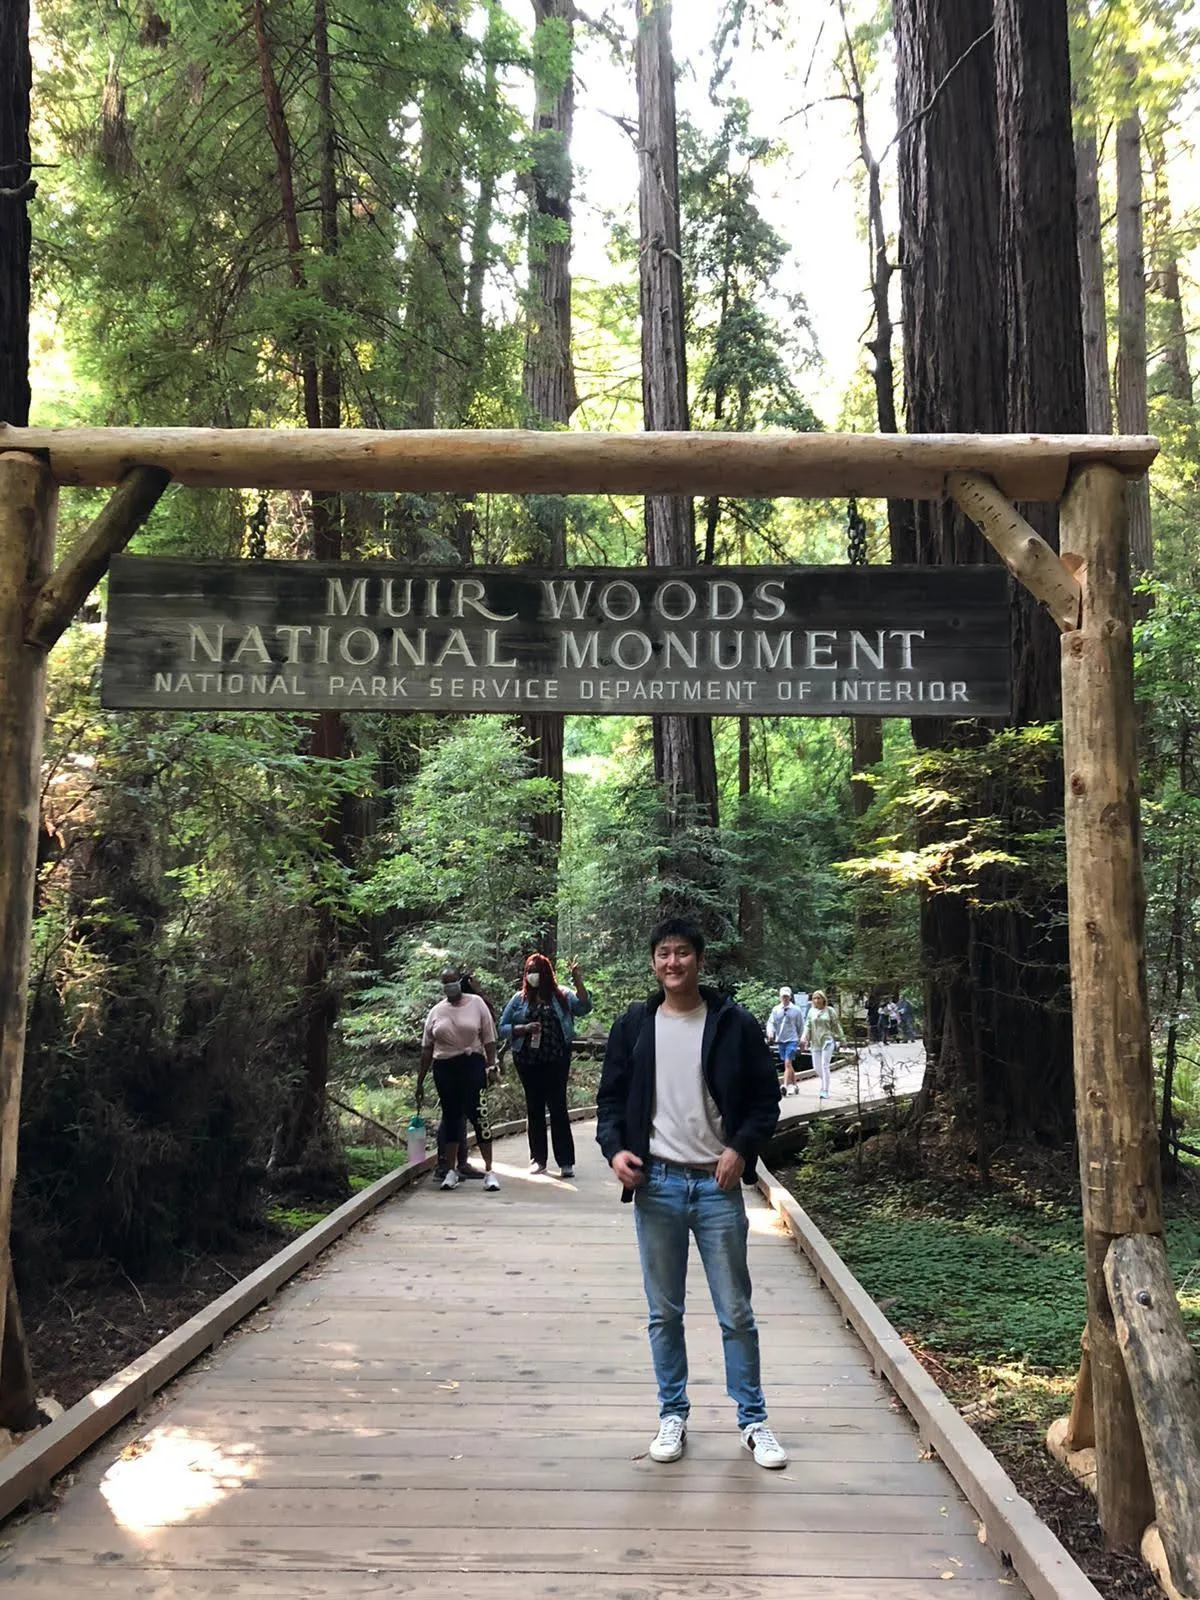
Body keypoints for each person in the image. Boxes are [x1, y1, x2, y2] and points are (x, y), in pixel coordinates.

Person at [596, 915, 788, 1471]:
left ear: (699, 961)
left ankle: (753, 1421)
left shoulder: (732, 1023)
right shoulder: (635, 1025)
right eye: (663, 953)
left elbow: (765, 1100)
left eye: (682, 952)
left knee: (735, 1311)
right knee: (664, 1312)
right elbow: (611, 1102)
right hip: (656, 1184)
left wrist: (741, 1149)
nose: (672, 962)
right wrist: (615, 1151)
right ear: (653, 962)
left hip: (715, 1185)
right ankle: (672, 1414)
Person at [499, 953, 591, 1178]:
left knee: (558, 1107)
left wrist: (578, 980)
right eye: (529, 971)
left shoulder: (562, 996)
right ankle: (538, 1159)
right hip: (527, 1061)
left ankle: (566, 1162)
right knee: (534, 1108)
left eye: (536, 971)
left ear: (546, 973)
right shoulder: (519, 1000)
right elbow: (502, 1027)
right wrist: (523, 1029)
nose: (532, 975)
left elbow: (584, 1007)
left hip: (556, 1059)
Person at [417, 966, 500, 1191]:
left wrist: (492, 1065)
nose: (450, 985)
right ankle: (451, 1170)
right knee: (451, 1116)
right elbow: (427, 1048)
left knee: (479, 1115)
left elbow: (489, 1038)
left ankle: (489, 1171)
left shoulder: (476, 1003)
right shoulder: (436, 1011)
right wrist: (420, 1081)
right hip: (444, 1067)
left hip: (472, 1064)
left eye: (452, 980)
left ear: (459, 981)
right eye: (445, 982)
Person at [800, 989, 844, 1101]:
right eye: (814, 998)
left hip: (827, 1041)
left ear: (823, 999)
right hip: (815, 1042)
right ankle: (825, 1081)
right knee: (816, 1067)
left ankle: (825, 1090)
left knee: (825, 1065)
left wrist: (842, 1038)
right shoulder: (811, 1011)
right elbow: (807, 1025)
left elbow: (836, 1025)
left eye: (818, 998)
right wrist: (804, 1036)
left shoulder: (829, 1011)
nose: (816, 1000)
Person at [766, 986, 807, 1097]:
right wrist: (770, 1032)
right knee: (788, 1064)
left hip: (792, 1039)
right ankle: (795, 1085)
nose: (785, 998)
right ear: (780, 997)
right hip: (781, 1040)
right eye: (783, 996)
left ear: (790, 997)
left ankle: (784, 1085)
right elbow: (771, 1023)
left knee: (787, 1063)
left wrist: (802, 1040)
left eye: (787, 996)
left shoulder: (796, 1010)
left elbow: (801, 1026)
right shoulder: (776, 1010)